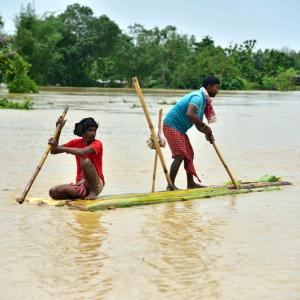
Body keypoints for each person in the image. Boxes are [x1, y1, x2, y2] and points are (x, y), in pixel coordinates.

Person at [163, 75, 220, 190]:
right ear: (209, 87)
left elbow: (197, 124)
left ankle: (191, 184)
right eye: (217, 88)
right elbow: (190, 114)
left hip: (180, 129)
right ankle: (170, 186)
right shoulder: (198, 97)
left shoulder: (203, 101)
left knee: (189, 154)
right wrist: (205, 126)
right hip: (171, 125)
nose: (218, 91)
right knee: (179, 155)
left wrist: (207, 133)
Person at [48, 117, 104, 200]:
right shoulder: (75, 142)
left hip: (96, 184)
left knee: (85, 161)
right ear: (83, 132)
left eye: (94, 130)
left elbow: (82, 152)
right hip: (80, 184)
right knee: (53, 192)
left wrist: (58, 147)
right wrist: (58, 130)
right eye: (90, 130)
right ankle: (78, 196)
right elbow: (54, 151)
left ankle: (92, 193)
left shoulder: (97, 143)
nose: (93, 133)